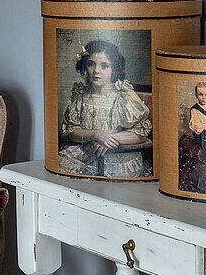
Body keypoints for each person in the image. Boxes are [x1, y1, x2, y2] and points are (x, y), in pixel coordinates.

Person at [58, 39, 151, 178]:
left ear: (114, 69)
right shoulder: (81, 96)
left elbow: (141, 133)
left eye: (104, 66)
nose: (96, 71)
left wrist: (111, 138)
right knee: (61, 162)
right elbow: (72, 131)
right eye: (91, 64)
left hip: (120, 156)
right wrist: (96, 134)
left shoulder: (124, 96)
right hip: (88, 152)